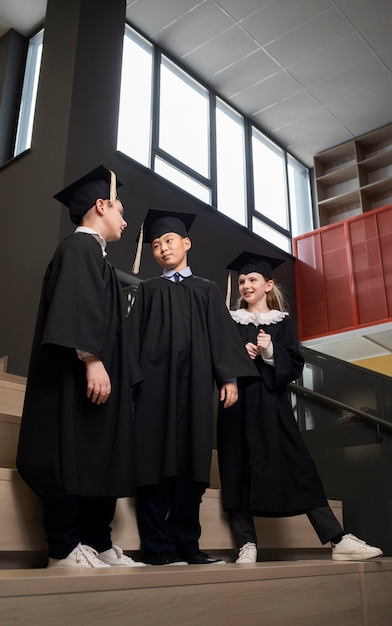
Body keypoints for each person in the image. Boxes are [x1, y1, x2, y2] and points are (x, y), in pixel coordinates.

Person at [217, 250, 383, 564]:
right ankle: (247, 544)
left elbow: (294, 365)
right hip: (237, 405)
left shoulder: (283, 323)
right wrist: (242, 354)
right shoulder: (229, 322)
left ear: (268, 285)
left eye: (252, 280)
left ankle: (338, 538)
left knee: (299, 467)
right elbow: (218, 360)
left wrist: (269, 353)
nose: (246, 286)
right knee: (236, 469)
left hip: (272, 405)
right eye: (241, 281)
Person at [16, 164, 145, 569]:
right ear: (100, 204)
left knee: (97, 458)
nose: (125, 221)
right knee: (71, 455)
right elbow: (76, 307)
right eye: (121, 211)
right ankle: (64, 547)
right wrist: (92, 359)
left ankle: (96, 542)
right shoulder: (78, 249)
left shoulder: (98, 258)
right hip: (78, 377)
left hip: (96, 381)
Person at [128, 209, 259, 566]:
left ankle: (187, 545)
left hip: (197, 387)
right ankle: (156, 548)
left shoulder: (206, 289)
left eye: (168, 241)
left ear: (186, 243)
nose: (162, 249)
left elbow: (220, 335)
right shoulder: (149, 290)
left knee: (193, 463)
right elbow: (133, 341)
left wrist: (229, 378)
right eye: (155, 245)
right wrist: (133, 385)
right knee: (153, 463)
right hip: (154, 388)